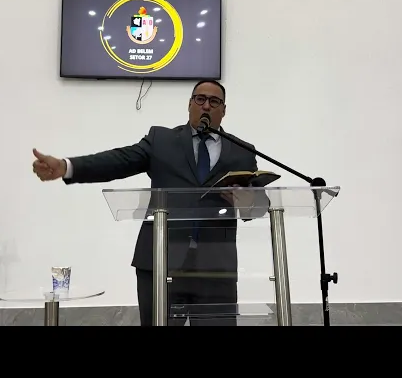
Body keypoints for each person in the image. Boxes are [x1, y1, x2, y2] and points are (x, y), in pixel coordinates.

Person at [32, 79, 269, 326]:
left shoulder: (241, 151)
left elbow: (260, 204)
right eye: (200, 99)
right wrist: (67, 167)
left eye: (214, 101)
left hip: (216, 270)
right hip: (160, 264)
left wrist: (249, 202)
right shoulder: (161, 140)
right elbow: (119, 160)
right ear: (189, 104)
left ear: (224, 110)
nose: (206, 105)